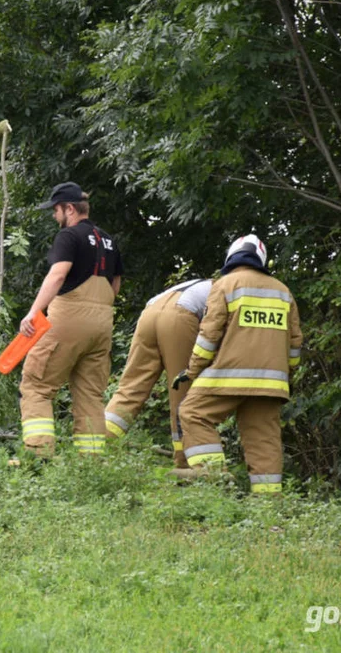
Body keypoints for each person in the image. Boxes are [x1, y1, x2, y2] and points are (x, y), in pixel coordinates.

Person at [171, 235, 303, 493]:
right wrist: (288, 373)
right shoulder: (283, 291)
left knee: (192, 412)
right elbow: (295, 343)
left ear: (231, 256)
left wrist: (192, 370)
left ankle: (213, 475)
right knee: (264, 440)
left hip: (226, 377)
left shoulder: (225, 285)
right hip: (271, 384)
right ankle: (268, 505)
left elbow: (208, 336)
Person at [18, 182, 123, 457]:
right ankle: (91, 460)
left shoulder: (69, 236)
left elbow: (57, 275)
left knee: (36, 385)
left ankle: (38, 454)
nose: (54, 216)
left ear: (69, 208)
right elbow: (115, 285)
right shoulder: (109, 240)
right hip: (102, 325)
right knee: (90, 394)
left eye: (56, 210)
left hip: (69, 319)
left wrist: (34, 312)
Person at [103, 278, 213, 468]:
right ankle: (184, 462)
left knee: (130, 389)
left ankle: (97, 446)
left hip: (150, 311)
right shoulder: (233, 290)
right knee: (183, 393)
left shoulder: (207, 284)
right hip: (181, 316)